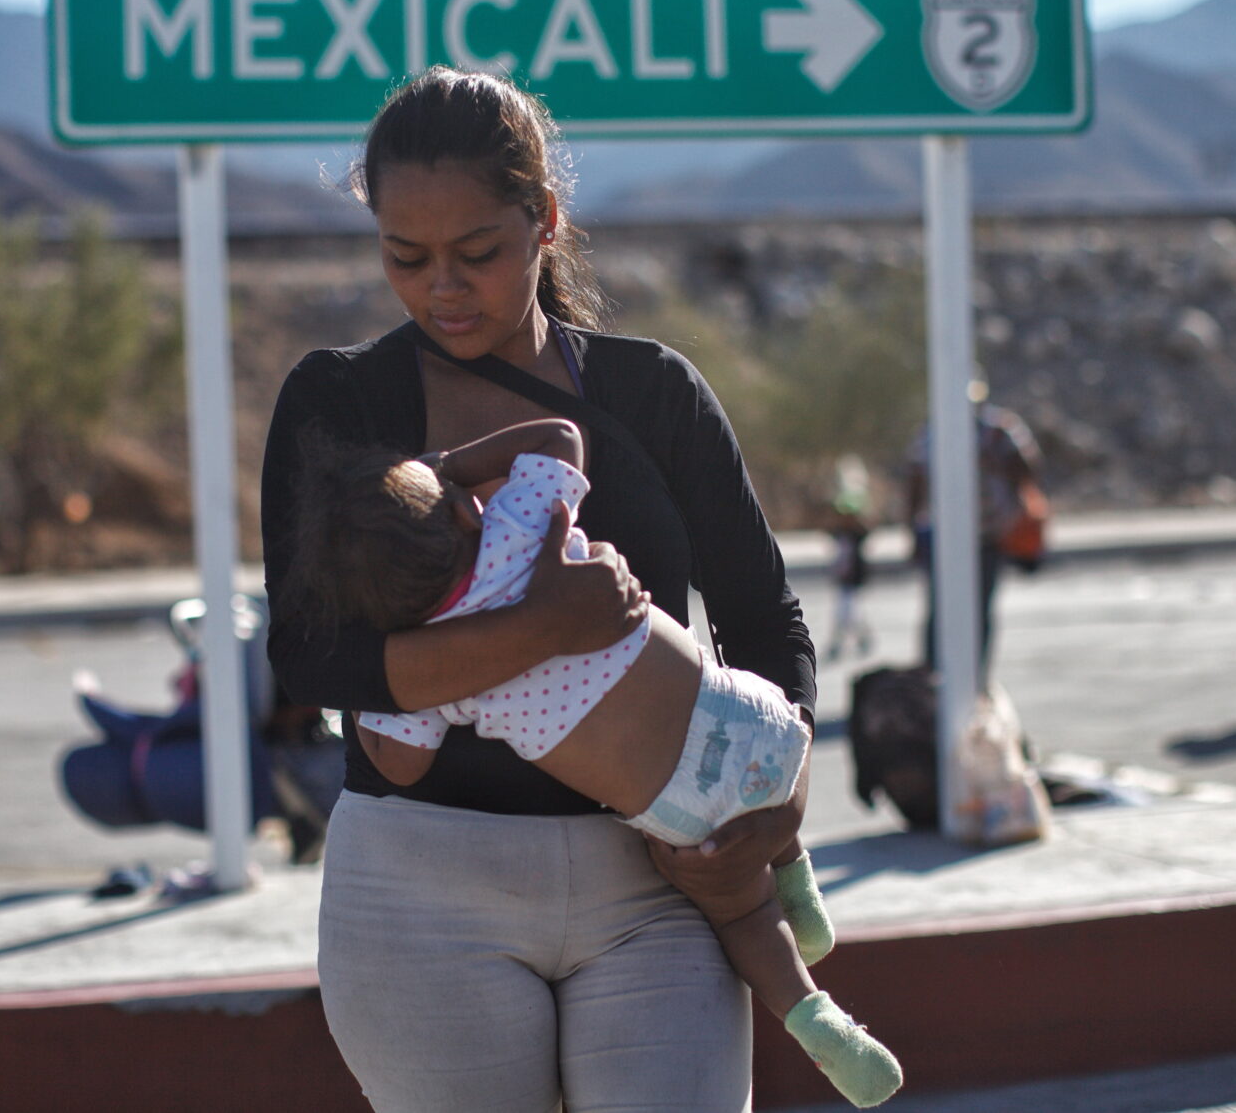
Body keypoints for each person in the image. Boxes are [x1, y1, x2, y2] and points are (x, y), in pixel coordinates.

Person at [261, 66, 819, 1112]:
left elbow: (761, 620)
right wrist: (538, 628)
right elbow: (306, 655)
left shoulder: (650, 392)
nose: (441, 287)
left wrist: (775, 796)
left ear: (544, 221)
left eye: (477, 252)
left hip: (653, 885)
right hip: (419, 891)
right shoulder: (338, 400)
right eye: (404, 256)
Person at [292, 419, 899, 1107]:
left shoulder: (442, 670)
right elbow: (557, 438)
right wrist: (451, 466)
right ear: (464, 511)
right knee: (763, 801)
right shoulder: (520, 526)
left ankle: (811, 1012)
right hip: (753, 720)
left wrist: (378, 667)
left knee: (741, 917)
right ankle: (799, 883)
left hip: (676, 807)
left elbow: (395, 766)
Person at [903, 390, 1042, 682]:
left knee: (980, 608)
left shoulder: (999, 430)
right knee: (940, 608)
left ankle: (976, 679)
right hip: (942, 536)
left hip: (988, 534)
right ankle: (932, 677)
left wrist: (992, 459)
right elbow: (915, 481)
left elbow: (1029, 468)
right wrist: (913, 531)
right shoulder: (933, 430)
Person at [824, 455, 876, 663]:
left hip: (853, 580)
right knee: (847, 614)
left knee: (847, 614)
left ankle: (846, 642)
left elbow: (865, 530)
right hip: (843, 579)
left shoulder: (857, 536)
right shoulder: (841, 535)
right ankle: (858, 639)